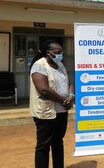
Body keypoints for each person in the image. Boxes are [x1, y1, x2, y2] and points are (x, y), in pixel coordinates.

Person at [29, 40, 74, 168]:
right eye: (57, 52)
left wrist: (71, 96)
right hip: (46, 113)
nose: (60, 54)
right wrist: (63, 101)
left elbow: (68, 83)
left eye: (61, 52)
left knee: (58, 142)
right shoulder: (39, 66)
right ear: (48, 53)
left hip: (61, 111)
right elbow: (43, 89)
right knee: (43, 145)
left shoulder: (60, 65)